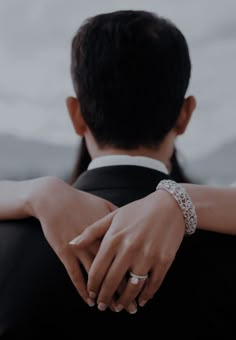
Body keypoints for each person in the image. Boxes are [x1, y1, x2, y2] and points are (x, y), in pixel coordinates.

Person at [0, 9, 236, 338]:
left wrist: (35, 192)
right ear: (185, 115)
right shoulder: (226, 240)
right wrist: (182, 200)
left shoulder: (8, 243)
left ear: (75, 114)